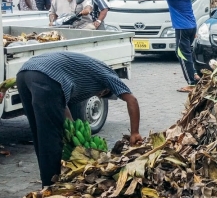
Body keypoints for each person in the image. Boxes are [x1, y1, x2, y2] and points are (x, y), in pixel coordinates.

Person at [17, 52, 142, 187]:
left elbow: (61, 103)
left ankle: (47, 180)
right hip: (46, 76)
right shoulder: (109, 75)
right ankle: (50, 186)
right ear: (105, 90)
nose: (98, 95)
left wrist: (72, 128)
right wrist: (135, 132)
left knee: (39, 133)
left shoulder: (90, 71)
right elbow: (131, 99)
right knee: (51, 138)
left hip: (25, 73)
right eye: (102, 94)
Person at [144, 0, 200, 92]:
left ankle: (191, 84)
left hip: (182, 28)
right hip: (192, 26)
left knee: (181, 54)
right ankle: (195, 74)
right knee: (188, 52)